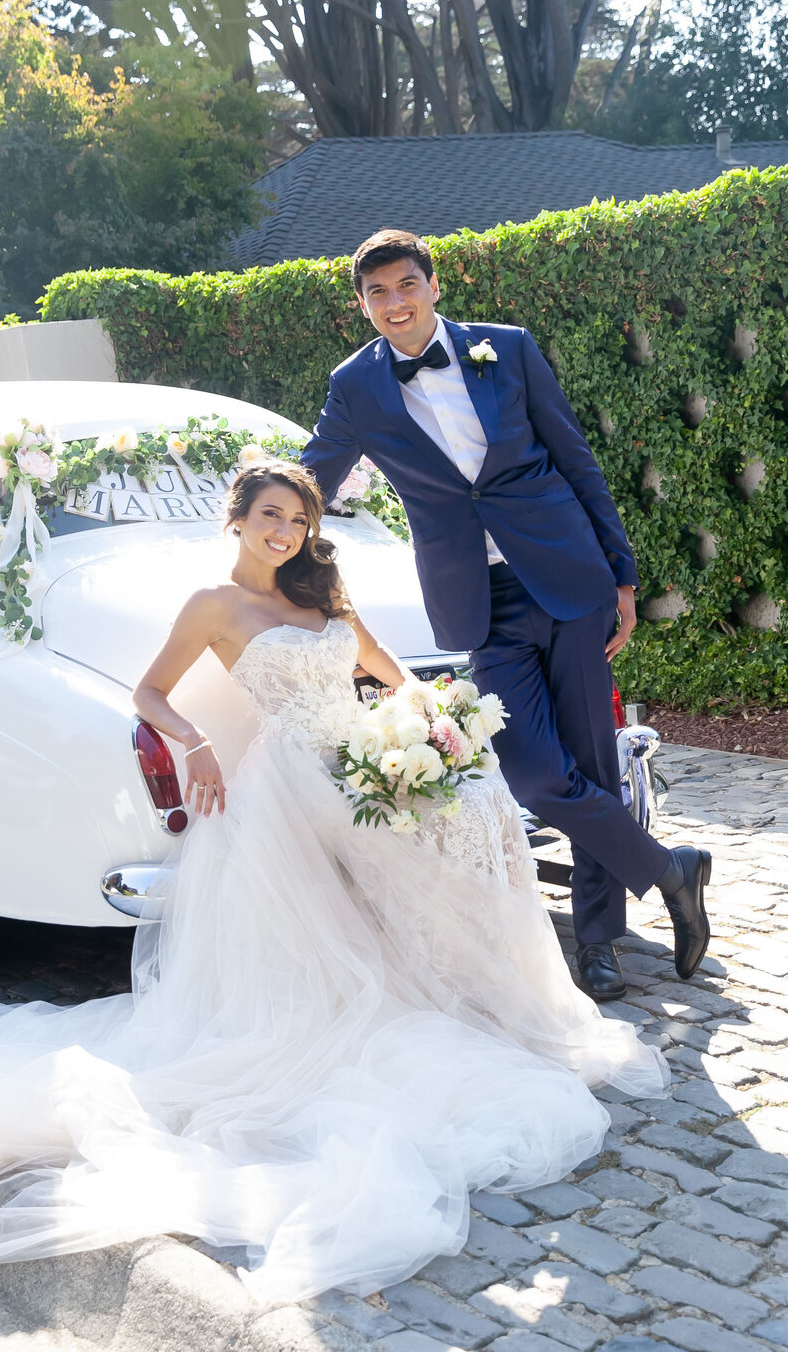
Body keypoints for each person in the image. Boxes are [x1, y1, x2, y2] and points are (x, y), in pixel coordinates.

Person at [0, 461, 666, 1307]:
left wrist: (435, 722)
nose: (283, 531)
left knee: (478, 821)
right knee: (323, 948)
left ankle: (487, 992)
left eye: (296, 517)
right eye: (268, 515)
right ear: (240, 519)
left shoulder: (325, 591)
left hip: (365, 762)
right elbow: (150, 692)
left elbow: (380, 671)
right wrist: (199, 741)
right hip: (291, 781)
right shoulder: (213, 606)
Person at [302, 229, 712, 1003]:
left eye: (405, 286)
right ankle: (670, 870)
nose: (394, 304)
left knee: (591, 761)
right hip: (476, 601)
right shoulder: (355, 386)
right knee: (532, 772)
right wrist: (255, 527)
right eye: (376, 293)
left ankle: (598, 945)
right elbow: (311, 476)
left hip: (565, 575)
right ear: (361, 304)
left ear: (433, 284)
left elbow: (574, 458)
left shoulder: (508, 349)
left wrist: (621, 575)